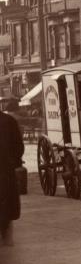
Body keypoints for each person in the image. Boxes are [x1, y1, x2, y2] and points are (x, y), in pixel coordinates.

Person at [1, 97, 24, 246]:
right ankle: (8, 241)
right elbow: (19, 147)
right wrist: (13, 162)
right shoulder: (9, 121)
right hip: (5, 170)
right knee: (7, 207)